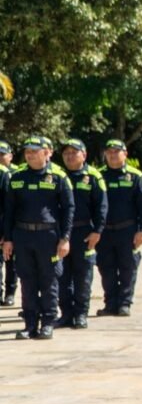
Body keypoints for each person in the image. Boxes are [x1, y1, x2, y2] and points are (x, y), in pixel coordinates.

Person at [3, 136, 74, 339]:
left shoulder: (59, 176)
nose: (30, 154)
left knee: (49, 280)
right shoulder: (16, 177)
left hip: (48, 236)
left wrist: (65, 238)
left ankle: (48, 323)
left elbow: (69, 209)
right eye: (27, 151)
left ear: (47, 152)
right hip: (23, 235)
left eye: (35, 150)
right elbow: (9, 211)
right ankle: (30, 324)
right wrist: (8, 239)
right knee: (27, 281)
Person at [96, 139, 142, 316]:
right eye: (109, 152)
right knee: (106, 268)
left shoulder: (135, 176)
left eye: (116, 152)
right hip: (105, 232)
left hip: (127, 230)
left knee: (128, 268)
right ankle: (110, 303)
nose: (112, 155)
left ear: (125, 154)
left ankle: (125, 303)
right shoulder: (98, 176)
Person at [57, 139, 107, 329]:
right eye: (66, 154)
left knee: (83, 276)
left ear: (83, 155)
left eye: (74, 153)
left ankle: (80, 314)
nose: (69, 157)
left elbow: (102, 206)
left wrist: (97, 231)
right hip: (61, 234)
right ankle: (66, 314)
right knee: (62, 275)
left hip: (84, 232)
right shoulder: (58, 175)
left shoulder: (93, 176)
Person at [0, 140, 15, 306]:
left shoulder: (13, 173)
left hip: (7, 225)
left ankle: (10, 293)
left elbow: (9, 205)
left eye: (2, 155)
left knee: (11, 262)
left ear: (10, 156)